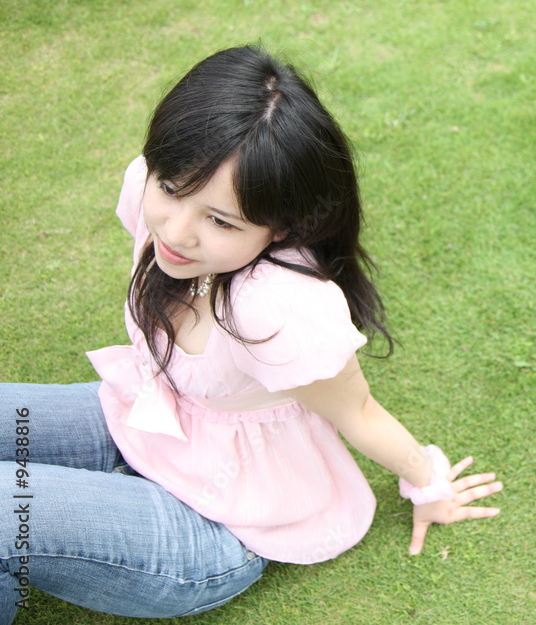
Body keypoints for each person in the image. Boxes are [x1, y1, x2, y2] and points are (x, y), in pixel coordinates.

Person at [0, 45, 503, 621]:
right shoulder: (155, 195)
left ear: (282, 225)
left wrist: (429, 483)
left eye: (219, 221)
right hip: (145, 422)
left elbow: (359, 411)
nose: (176, 232)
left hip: (215, 527)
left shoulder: (277, 308)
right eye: (171, 187)